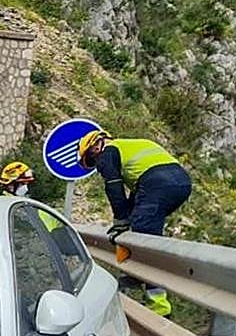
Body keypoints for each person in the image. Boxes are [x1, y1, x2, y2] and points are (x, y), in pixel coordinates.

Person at [78, 130, 192, 316]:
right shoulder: (130, 145)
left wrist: (120, 221)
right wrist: (126, 218)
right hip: (181, 182)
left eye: (92, 161)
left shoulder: (108, 152)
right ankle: (135, 272)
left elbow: (113, 186)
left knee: (144, 238)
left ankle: (159, 305)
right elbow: (139, 194)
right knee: (142, 227)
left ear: (95, 147)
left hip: (157, 183)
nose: (96, 166)